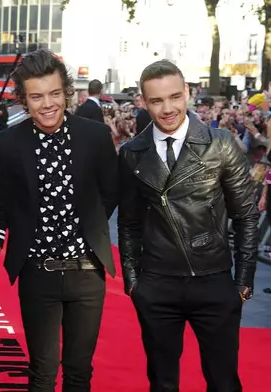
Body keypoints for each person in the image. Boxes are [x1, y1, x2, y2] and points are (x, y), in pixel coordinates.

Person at [118, 60, 258, 392]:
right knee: (162, 383)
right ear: (144, 101)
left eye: (174, 97)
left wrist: (242, 284)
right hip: (157, 286)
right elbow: (129, 223)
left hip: (214, 282)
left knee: (223, 382)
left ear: (187, 93)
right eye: (156, 101)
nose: (167, 109)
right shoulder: (132, 153)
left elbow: (246, 216)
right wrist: (135, 283)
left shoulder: (220, 143)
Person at [0, 48, 118, 391]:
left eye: (55, 93)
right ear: (24, 101)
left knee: (79, 372)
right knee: (42, 372)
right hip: (37, 272)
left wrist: (88, 226)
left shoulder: (95, 136)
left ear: (66, 93)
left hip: (88, 272)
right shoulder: (8, 144)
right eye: (37, 96)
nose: (47, 104)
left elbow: (111, 191)